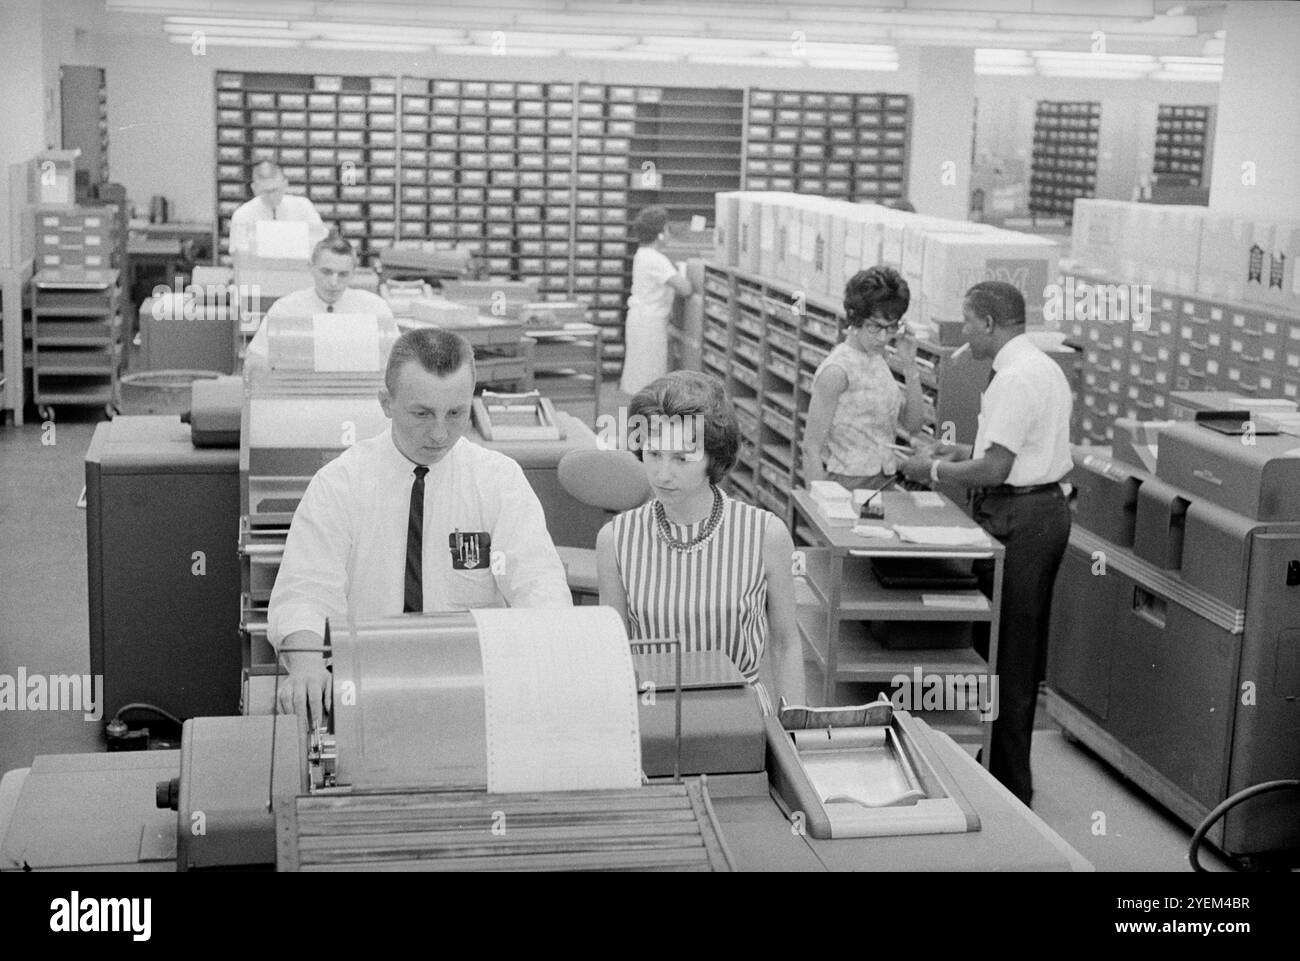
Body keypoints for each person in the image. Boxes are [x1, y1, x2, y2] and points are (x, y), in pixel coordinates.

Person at [269, 326, 573, 728]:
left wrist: (554, 659)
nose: (440, 433)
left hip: (476, 688)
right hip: (366, 687)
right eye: (422, 413)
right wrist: (306, 665)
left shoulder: (499, 481)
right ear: (386, 403)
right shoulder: (339, 484)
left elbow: (539, 586)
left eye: (456, 413)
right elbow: (305, 591)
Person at [900, 281, 1072, 806]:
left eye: (969, 320)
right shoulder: (1040, 367)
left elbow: (996, 468)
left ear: (992, 324)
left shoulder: (1014, 378)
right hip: (1038, 509)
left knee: (1012, 657)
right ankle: (996, 767)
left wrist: (927, 467)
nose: (965, 331)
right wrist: (956, 450)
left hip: (1025, 517)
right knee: (1004, 650)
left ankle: (1011, 792)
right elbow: (1008, 449)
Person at [596, 371, 805, 713]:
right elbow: (615, 655)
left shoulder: (766, 534)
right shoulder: (616, 539)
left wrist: (796, 736)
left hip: (742, 713)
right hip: (655, 711)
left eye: (682, 458)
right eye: (653, 454)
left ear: (714, 457)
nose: (663, 474)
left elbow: (786, 644)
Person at [801, 267, 923, 490]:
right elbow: (811, 448)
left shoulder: (879, 359)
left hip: (885, 482)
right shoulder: (837, 370)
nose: (884, 337)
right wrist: (820, 507)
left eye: (891, 326)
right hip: (846, 484)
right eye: (875, 326)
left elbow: (914, 424)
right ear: (855, 319)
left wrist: (910, 365)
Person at [244, 235, 393, 370]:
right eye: (326, 272)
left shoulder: (375, 308)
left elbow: (397, 363)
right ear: (311, 267)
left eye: (343, 274)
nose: (334, 283)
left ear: (354, 272)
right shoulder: (285, 309)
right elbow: (255, 359)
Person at [620, 205, 694, 396]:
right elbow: (685, 288)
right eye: (667, 228)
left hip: (641, 320)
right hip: (649, 325)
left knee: (640, 377)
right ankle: (645, 422)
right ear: (660, 232)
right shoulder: (655, 259)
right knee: (649, 379)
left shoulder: (642, 254)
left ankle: (640, 420)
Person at [229, 161, 326, 255]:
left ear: (285, 184)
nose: (272, 197)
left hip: (300, 268)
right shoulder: (242, 214)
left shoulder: (303, 206)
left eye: (275, 190)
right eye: (265, 192)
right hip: (258, 269)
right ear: (254, 188)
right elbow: (238, 253)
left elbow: (322, 243)